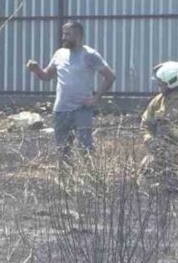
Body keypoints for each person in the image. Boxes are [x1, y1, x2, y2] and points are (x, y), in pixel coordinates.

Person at [26, 21, 115, 166]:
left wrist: (95, 98)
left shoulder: (90, 55)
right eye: (63, 33)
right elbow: (47, 76)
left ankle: (89, 182)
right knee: (63, 151)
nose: (63, 37)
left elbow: (110, 76)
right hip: (60, 111)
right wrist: (36, 69)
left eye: (68, 34)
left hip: (82, 110)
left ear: (78, 35)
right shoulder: (59, 54)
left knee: (85, 149)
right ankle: (66, 184)